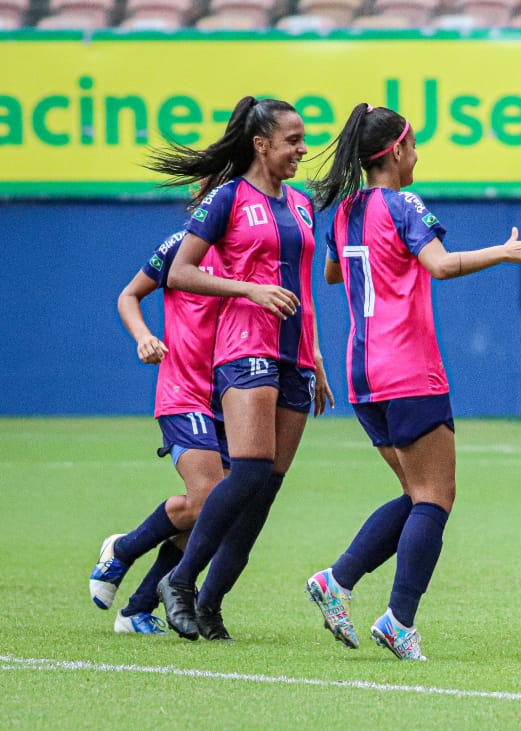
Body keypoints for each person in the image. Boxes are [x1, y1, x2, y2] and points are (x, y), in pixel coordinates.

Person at [303, 103, 521, 661]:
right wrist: (504, 252)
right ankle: (398, 620)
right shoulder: (403, 204)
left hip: (363, 372)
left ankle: (337, 581)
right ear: (396, 151)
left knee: (417, 495)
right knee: (436, 498)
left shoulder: (345, 211)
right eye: (413, 146)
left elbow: (334, 272)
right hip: (408, 368)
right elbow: (439, 265)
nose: (417, 156)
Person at [147, 95, 334, 641]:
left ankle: (210, 604)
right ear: (261, 144)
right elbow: (180, 273)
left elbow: (303, 287)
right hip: (244, 344)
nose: (303, 149)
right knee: (249, 470)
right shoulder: (227, 198)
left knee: (266, 488)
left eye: (303, 140)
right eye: (293, 140)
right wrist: (248, 288)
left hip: (296, 354)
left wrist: (317, 357)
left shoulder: (302, 204)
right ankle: (179, 581)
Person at [89, 230, 227, 635]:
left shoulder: (254, 242)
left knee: (219, 513)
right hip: (185, 391)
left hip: (234, 395)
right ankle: (124, 548)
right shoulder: (182, 244)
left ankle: (137, 610)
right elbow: (129, 295)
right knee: (209, 499)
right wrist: (144, 337)